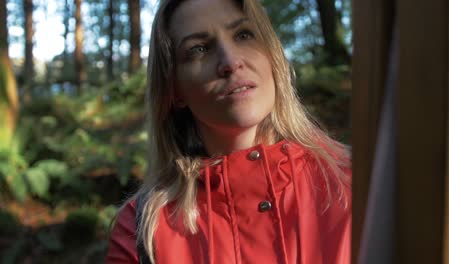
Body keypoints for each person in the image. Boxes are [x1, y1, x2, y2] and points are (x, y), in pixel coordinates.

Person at [106, 0, 351, 263]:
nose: (230, 61)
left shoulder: (359, 181)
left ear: (271, 54)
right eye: (199, 49)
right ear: (174, 89)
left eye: (243, 34)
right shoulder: (140, 231)